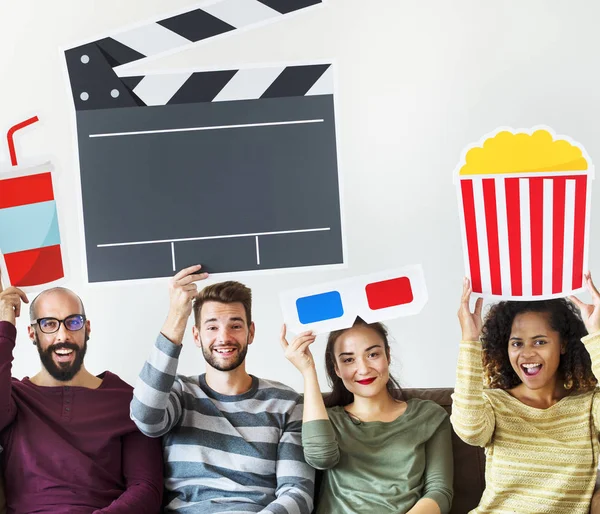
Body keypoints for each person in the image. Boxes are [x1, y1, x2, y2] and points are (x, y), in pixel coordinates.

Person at [130, 265, 314, 513]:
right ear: (196, 336)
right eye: (212, 327)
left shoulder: (287, 402)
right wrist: (176, 316)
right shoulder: (179, 393)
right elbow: (145, 417)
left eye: (235, 326)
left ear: (251, 332)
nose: (224, 337)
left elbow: (298, 492)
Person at [0, 274, 163, 513]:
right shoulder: (13, 398)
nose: (63, 335)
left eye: (73, 322)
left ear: (87, 328)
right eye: (49, 324)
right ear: (32, 334)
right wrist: (5, 327)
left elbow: (146, 488)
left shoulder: (127, 399)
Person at [451, 272, 600, 513]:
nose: (527, 354)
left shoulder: (589, 405)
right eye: (517, 343)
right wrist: (469, 340)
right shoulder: (495, 403)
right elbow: (469, 431)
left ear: (562, 345)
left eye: (540, 342)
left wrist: (596, 334)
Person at [281, 316, 454, 514]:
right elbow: (321, 458)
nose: (363, 369)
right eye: (348, 360)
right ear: (336, 368)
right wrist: (308, 370)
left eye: (372, 354)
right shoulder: (327, 420)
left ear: (388, 355)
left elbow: (439, 491)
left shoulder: (429, 415)